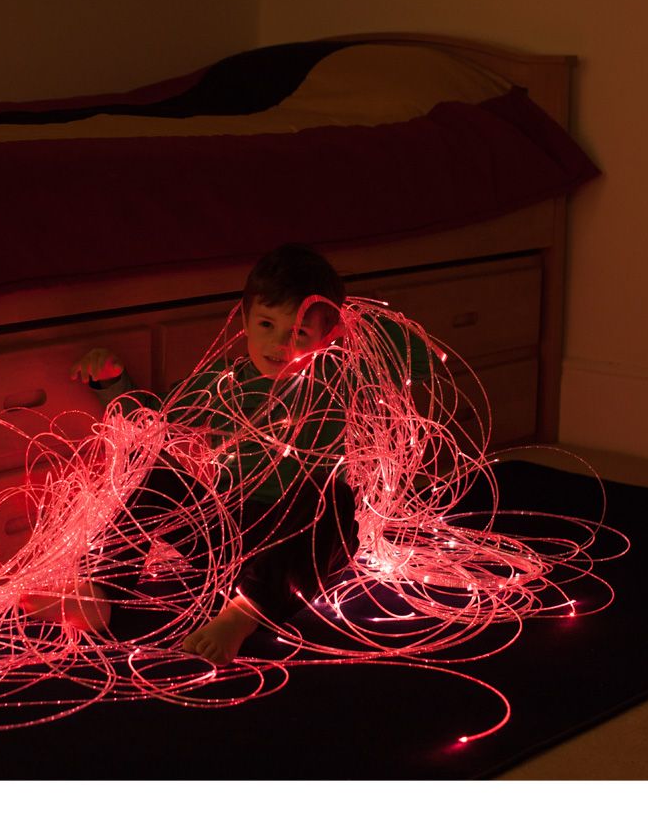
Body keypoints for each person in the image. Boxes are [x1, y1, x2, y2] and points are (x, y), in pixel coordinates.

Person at [22, 244, 381, 665]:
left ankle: (244, 614)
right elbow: (151, 422)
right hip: (227, 538)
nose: (279, 343)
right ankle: (99, 593)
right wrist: (112, 383)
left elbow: (402, 359)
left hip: (297, 544)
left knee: (333, 498)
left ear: (327, 336)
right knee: (147, 470)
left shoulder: (337, 382)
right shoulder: (221, 385)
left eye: (299, 332)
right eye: (267, 324)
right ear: (244, 320)